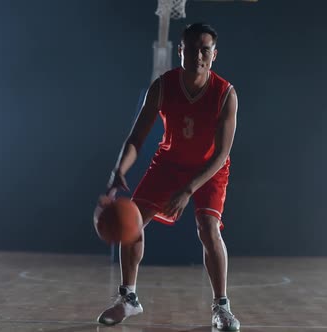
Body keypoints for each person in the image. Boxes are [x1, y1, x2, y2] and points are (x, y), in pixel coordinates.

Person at [97, 22, 240, 331]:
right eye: (190, 48)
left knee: (208, 228)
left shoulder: (225, 93)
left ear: (214, 54)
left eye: (204, 50)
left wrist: (189, 189)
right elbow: (136, 138)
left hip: (208, 168)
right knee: (132, 221)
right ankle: (128, 299)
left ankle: (221, 307)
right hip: (169, 162)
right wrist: (119, 169)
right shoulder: (162, 86)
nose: (197, 55)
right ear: (180, 51)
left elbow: (221, 154)